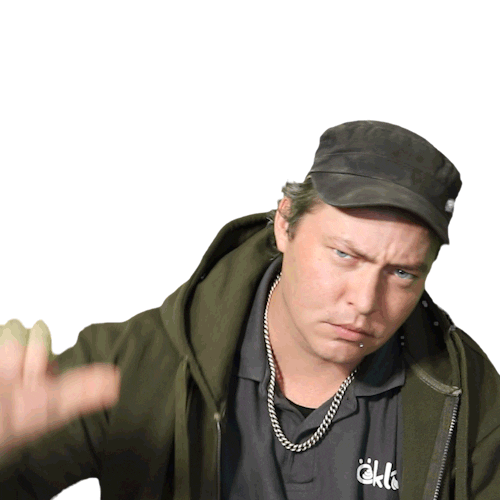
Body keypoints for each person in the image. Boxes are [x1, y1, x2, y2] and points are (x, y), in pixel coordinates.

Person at [1, 120, 499, 499]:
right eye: (345, 255)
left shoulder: (468, 393)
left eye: (402, 273)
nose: (365, 302)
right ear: (285, 224)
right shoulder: (135, 363)